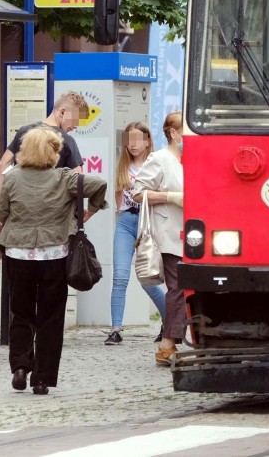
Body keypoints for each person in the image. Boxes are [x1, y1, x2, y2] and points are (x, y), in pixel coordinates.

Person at [0, 127, 107, 395]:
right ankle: (42, 379)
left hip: (18, 254)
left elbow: (3, 211)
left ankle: (20, 367)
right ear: (53, 152)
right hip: (54, 255)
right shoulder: (65, 178)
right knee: (51, 317)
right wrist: (90, 211)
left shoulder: (12, 178)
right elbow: (99, 185)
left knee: (20, 312)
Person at [105, 122, 167, 345]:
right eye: (129, 139)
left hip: (147, 223)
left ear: (147, 141)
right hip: (126, 221)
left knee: (148, 279)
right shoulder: (122, 166)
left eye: (138, 138)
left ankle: (169, 321)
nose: (133, 144)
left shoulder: (156, 164)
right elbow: (118, 201)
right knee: (120, 276)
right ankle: (115, 328)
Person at [0, 90, 86, 231]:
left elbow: (2, 165)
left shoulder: (24, 132)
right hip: (53, 220)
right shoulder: (67, 141)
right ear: (62, 112)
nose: (76, 126)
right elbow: (78, 179)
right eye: (75, 120)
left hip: (19, 214)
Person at [132, 111, 184, 366]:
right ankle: (167, 344)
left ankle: (170, 341)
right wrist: (170, 197)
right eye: (185, 129)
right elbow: (137, 193)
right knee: (178, 288)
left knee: (183, 288)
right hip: (167, 232)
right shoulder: (160, 159)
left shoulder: (191, 159)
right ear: (173, 133)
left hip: (191, 233)